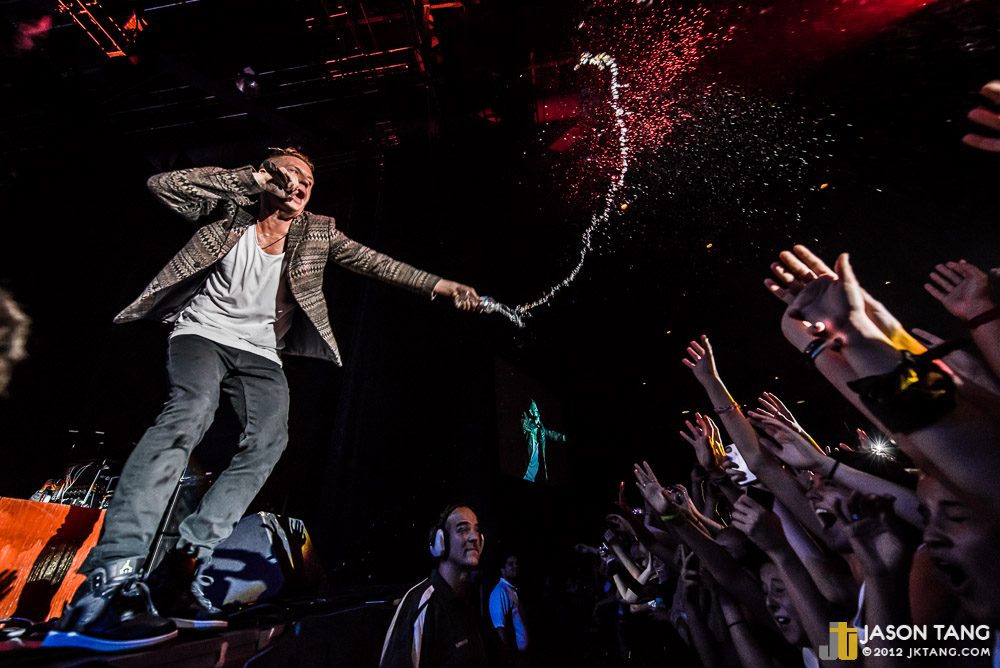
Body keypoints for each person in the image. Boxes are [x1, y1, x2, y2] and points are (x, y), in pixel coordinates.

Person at [44, 149, 482, 652]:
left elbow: (375, 262)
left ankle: (182, 568)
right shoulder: (231, 207)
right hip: (201, 333)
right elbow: (162, 185)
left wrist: (440, 285)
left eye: (308, 180)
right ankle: (107, 585)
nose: (300, 184)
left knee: (270, 440)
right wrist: (248, 180)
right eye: (289, 174)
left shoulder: (317, 231)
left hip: (260, 352)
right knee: (189, 414)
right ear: (267, 175)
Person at [380, 504, 490, 668]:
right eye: (462, 530)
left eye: (476, 530)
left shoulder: (468, 604)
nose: (474, 537)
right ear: (441, 542)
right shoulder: (419, 603)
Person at [489, 554, 529, 654]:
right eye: (511, 564)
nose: (515, 566)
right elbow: (499, 628)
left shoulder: (511, 590)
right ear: (502, 570)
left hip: (522, 654)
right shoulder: (501, 591)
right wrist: (507, 656)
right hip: (515, 655)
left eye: (516, 563)